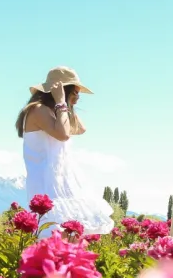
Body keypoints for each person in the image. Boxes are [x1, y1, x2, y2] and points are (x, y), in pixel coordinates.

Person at [15, 66, 115, 238]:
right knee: (56, 238)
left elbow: (81, 128)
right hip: (48, 184)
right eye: (75, 92)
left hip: (61, 181)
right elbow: (63, 135)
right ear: (62, 91)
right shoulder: (38, 109)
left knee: (72, 238)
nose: (78, 97)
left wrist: (65, 105)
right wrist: (61, 101)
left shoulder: (54, 112)